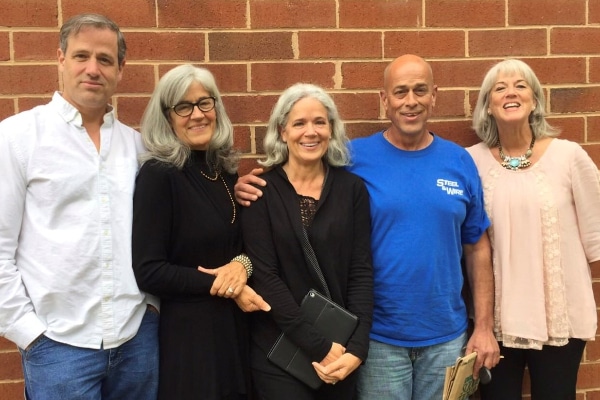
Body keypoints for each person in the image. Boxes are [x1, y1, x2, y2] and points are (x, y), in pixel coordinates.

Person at [235, 55, 501, 400]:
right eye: (400, 91)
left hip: (445, 337)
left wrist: (482, 326)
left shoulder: (458, 160)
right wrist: (246, 185)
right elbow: (300, 169)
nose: (411, 101)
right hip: (379, 338)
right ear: (384, 99)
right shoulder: (354, 159)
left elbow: (477, 246)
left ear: (434, 95)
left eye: (420, 90)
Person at [0, 13, 159, 399]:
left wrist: (151, 308)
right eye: (80, 56)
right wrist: (26, 331)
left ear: (121, 69)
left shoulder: (137, 147)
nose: (92, 69)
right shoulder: (18, 138)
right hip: (56, 345)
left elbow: (161, 231)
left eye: (105, 60)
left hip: (136, 337)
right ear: (59, 59)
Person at [132, 64, 270, 400]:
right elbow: (149, 271)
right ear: (167, 117)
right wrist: (225, 286)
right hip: (190, 340)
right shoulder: (159, 175)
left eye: (204, 103)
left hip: (234, 332)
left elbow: (239, 246)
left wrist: (242, 267)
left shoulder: (222, 171)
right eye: (183, 106)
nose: (197, 114)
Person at [468, 59, 600, 400]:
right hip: (495, 324)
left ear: (535, 100)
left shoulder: (569, 157)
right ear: (488, 106)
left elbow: (595, 239)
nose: (510, 92)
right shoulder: (471, 162)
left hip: (559, 320)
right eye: (499, 88)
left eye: (520, 85)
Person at [240, 83, 373, 400]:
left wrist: (356, 349)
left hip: (341, 354)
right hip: (280, 354)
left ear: (331, 129)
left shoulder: (351, 190)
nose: (310, 132)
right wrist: (320, 346)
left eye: (319, 122)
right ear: (283, 132)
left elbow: (361, 271)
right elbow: (266, 278)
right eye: (299, 123)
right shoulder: (261, 191)